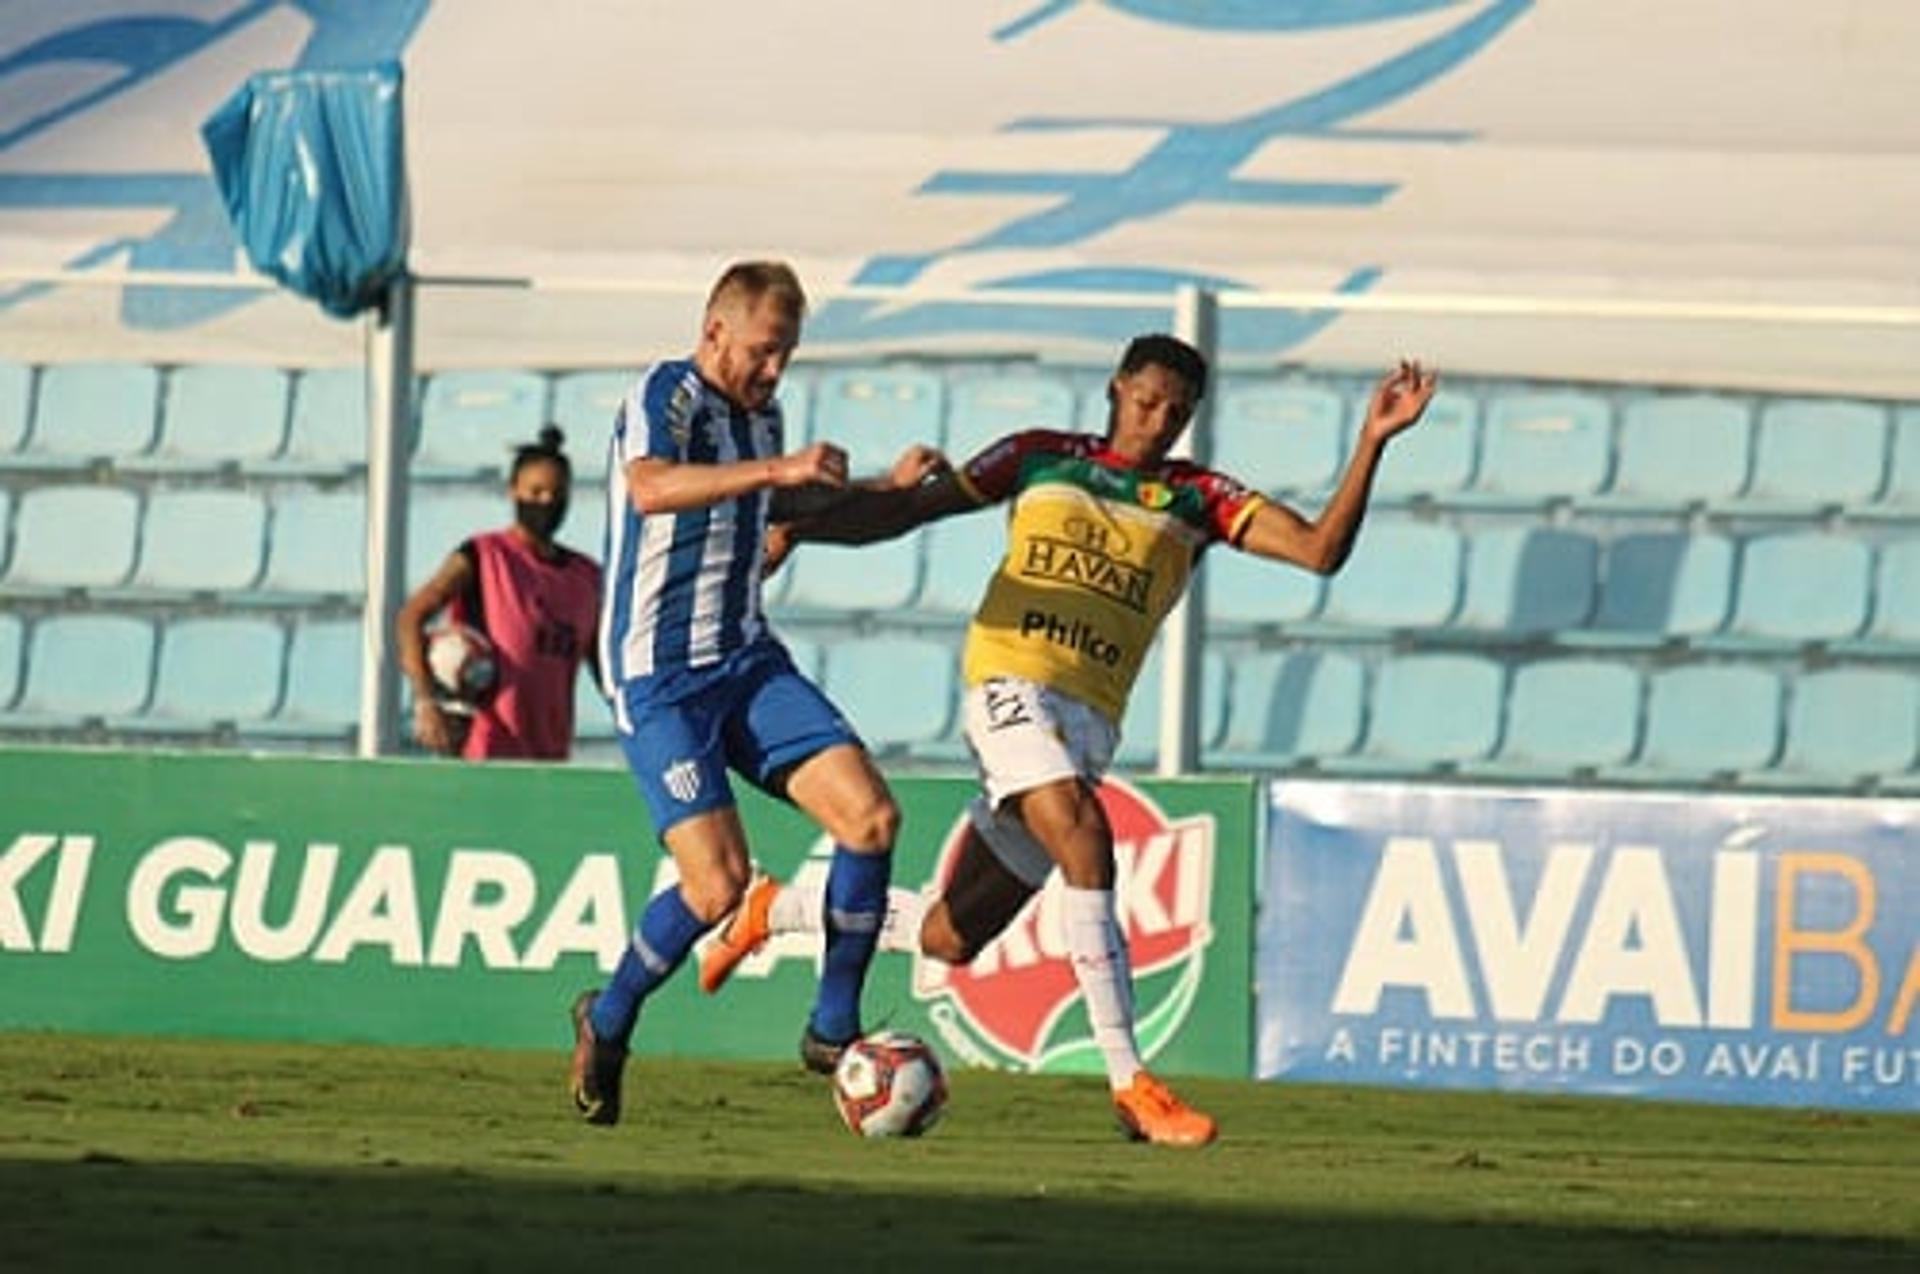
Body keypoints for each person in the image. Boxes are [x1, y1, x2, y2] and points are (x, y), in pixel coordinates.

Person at [698, 336, 1438, 1146]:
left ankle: (778, 907)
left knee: (954, 935)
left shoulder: (1196, 498)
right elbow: (911, 508)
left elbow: (1319, 551)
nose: (1158, 421)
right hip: (1009, 684)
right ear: (1117, 389)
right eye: (1148, 400)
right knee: (1087, 838)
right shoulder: (1040, 457)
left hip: (1086, 722)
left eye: (1177, 411)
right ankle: (1131, 1082)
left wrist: (1371, 442)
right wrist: (803, 528)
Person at [568, 260, 943, 1126]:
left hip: (744, 659)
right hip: (659, 679)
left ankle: (831, 1027)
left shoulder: (759, 415)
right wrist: (777, 473)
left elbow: (782, 513)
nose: (776, 372)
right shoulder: (668, 392)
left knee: (871, 819)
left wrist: (882, 489)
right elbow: (652, 487)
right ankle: (611, 1015)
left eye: (789, 356)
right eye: (766, 352)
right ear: (716, 333)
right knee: (717, 886)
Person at [397, 425, 602, 761]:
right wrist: (425, 700)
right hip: (485, 751)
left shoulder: (586, 577)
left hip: (549, 757)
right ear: (513, 491)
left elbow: (605, 667)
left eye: (556, 494)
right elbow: (411, 617)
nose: (546, 503)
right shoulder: (483, 556)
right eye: (535, 492)